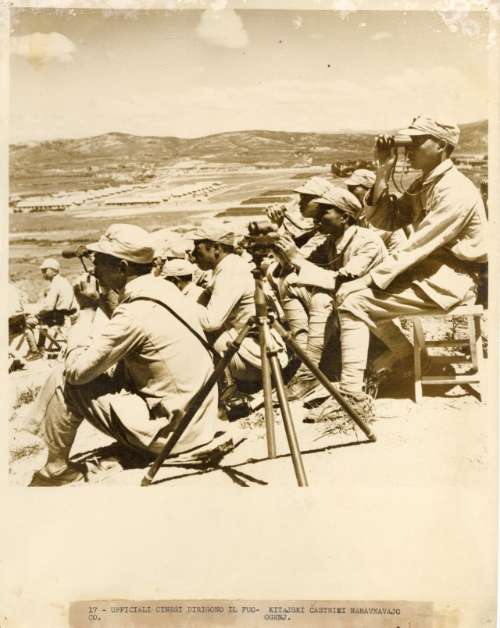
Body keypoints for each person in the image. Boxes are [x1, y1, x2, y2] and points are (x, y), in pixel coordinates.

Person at [307, 115, 488, 423]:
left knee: (353, 300)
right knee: (351, 297)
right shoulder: (427, 182)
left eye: (417, 141)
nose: (409, 148)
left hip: (454, 280)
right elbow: (386, 220)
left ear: (441, 146)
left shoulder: (455, 190)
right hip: (431, 274)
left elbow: (416, 245)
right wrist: (383, 169)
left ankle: (351, 397)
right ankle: (410, 361)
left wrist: (367, 280)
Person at [29, 224, 225, 487]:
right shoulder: (166, 291)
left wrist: (86, 311)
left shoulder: (134, 313)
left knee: (64, 379)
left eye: (99, 262)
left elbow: (76, 373)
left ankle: (56, 468)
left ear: (121, 267)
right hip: (198, 421)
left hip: (172, 433)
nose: (93, 269)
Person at [274, 187, 386, 401]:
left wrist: (296, 258)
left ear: (344, 217)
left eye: (324, 211)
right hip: (345, 302)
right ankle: (304, 356)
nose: (317, 217)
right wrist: (282, 238)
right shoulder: (332, 240)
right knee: (290, 283)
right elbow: (293, 267)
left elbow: (341, 282)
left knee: (321, 298)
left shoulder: (367, 242)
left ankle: (309, 373)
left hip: (371, 304)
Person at [192, 222, 287, 385]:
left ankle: (224, 385)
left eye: (198, 249)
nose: (194, 256)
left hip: (257, 362)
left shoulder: (230, 272)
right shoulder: (230, 265)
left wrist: (185, 305)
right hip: (259, 353)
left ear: (216, 248)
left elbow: (210, 322)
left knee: (197, 328)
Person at [25, 258, 78, 359]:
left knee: (25, 323)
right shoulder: (63, 281)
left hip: (59, 317)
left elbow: (48, 307)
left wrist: (35, 314)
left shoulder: (56, 284)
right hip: (66, 314)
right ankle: (41, 347)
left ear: (53, 270)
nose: (43, 273)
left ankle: (34, 351)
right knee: (41, 318)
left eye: (45, 270)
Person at [344, 168, 406, 253]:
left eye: (353, 189)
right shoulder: (362, 212)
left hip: (395, 255)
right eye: (349, 189)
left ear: (369, 189)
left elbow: (368, 242)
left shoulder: (379, 211)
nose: (350, 194)